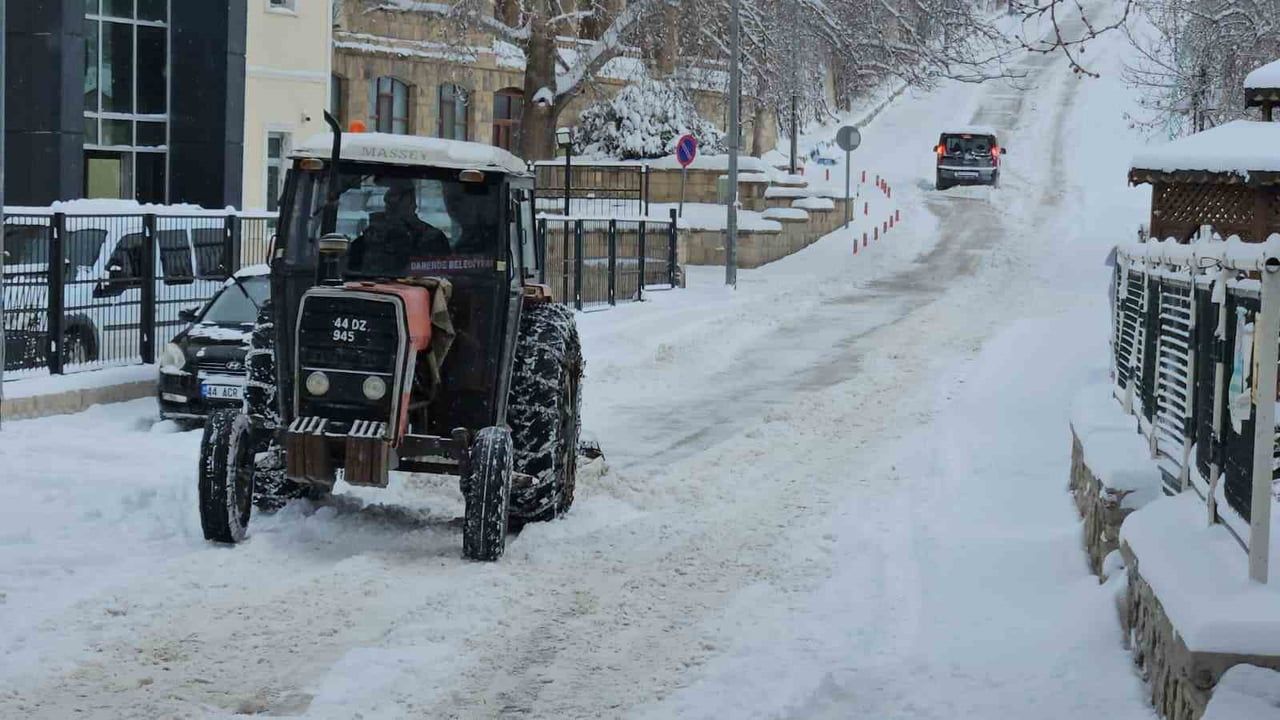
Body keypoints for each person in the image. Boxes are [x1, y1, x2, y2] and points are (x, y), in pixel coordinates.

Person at [349, 180, 451, 275]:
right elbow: (350, 269)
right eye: (389, 204)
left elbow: (443, 274)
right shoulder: (371, 237)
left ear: (413, 204)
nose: (391, 210)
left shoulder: (433, 238)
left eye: (397, 204)